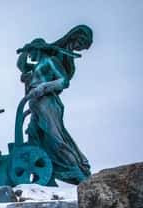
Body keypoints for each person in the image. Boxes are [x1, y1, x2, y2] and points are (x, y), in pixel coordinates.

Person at [16, 25, 93, 184]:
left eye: (31, 52)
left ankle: (79, 173)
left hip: (47, 103)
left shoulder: (50, 61)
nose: (30, 56)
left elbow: (63, 81)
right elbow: (21, 64)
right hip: (35, 104)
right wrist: (25, 50)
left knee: (55, 139)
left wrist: (44, 87)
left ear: (38, 49)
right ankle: (45, 178)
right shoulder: (36, 67)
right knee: (34, 139)